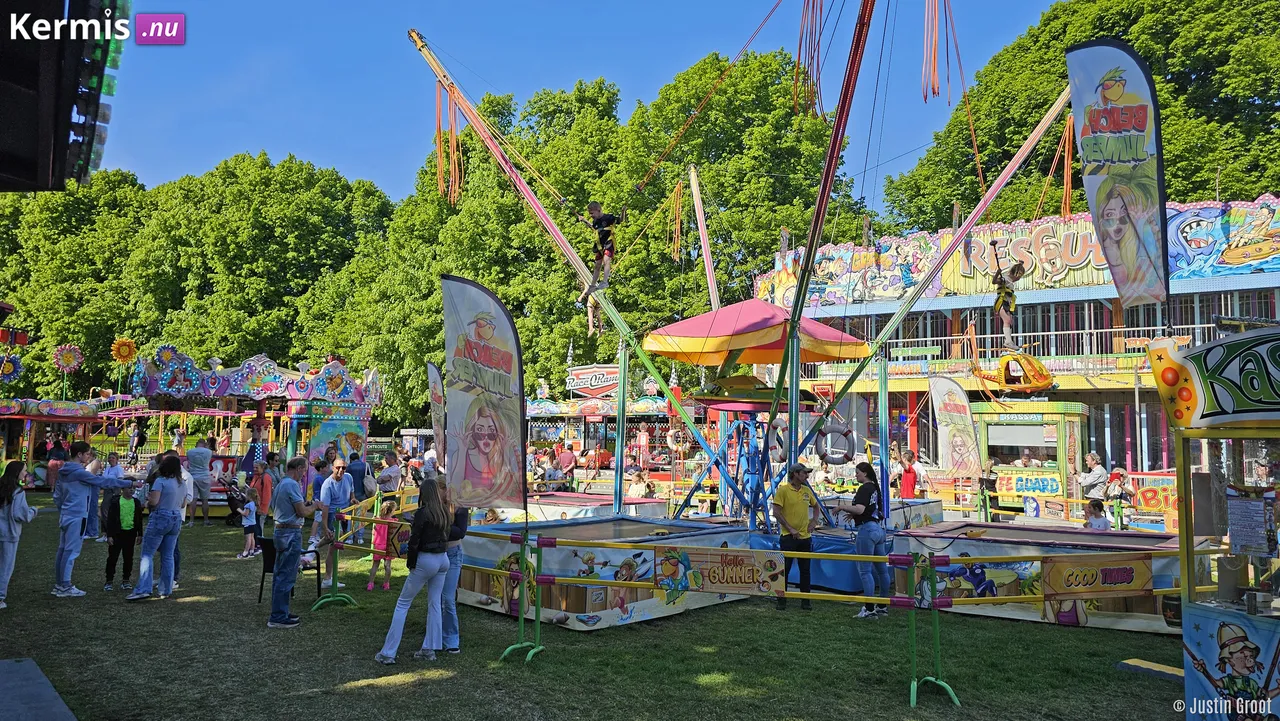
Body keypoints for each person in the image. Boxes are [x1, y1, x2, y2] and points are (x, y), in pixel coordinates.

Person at [374, 474, 452, 664]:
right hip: (442, 559)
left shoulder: (423, 513)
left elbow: (414, 541)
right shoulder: (443, 512)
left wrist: (411, 563)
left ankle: (388, 652)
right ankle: (429, 649)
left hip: (426, 559)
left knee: (403, 604)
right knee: (434, 604)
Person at [53, 442, 137, 597]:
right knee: (70, 551)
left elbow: (57, 495)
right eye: (87, 454)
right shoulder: (79, 472)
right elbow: (104, 482)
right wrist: (128, 483)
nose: (89, 457)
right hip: (77, 515)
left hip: (66, 514)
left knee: (63, 550)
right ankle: (64, 586)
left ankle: (60, 584)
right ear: (79, 455)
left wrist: (63, 509)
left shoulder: (63, 471)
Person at [268, 456, 326, 629]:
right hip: (290, 532)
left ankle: (281, 612)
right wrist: (315, 506)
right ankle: (278, 616)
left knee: (280, 574)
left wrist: (303, 504)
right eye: (304, 470)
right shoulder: (292, 484)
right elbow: (301, 512)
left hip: (280, 530)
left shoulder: (280, 484)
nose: (304, 474)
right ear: (299, 468)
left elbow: (275, 506)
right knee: (286, 575)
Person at [126, 455, 186, 601]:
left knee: (147, 554)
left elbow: (154, 501)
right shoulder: (182, 483)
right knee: (168, 555)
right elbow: (184, 504)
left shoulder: (160, 481)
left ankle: (143, 588)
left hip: (161, 517)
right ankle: (166, 589)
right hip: (175, 517)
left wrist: (146, 502)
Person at [843, 462, 891, 619]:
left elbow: (860, 509)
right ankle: (882, 605)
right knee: (882, 570)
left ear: (865, 473)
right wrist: (855, 514)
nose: (855, 475)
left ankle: (869, 608)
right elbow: (870, 510)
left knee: (865, 570)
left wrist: (842, 507)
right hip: (878, 529)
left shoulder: (864, 488)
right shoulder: (875, 488)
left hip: (867, 530)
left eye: (857, 473)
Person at [772, 463, 820, 611]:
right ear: (795, 474)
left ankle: (806, 601)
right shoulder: (783, 490)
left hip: (805, 537)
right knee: (784, 570)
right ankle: (781, 600)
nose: (807, 476)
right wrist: (790, 529)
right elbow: (776, 512)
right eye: (804, 473)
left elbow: (816, 506)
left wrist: (814, 521)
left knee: (805, 570)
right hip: (788, 537)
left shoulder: (806, 490)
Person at [0, 461, 38, 609]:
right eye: (23, 470)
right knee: (5, 567)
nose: (25, 473)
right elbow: (20, 515)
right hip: (9, 533)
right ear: (17, 473)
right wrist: (33, 511)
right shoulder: (18, 492)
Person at [439, 477, 468, 654]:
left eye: (438, 490)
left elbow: (460, 532)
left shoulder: (460, 507)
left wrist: (440, 525)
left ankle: (451, 638)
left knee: (448, 598)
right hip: (435, 552)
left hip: (452, 553)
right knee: (436, 598)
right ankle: (435, 634)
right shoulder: (434, 505)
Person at [574, 202, 624, 305]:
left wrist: (623, 211)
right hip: (599, 244)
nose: (591, 215)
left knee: (606, 261)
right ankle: (592, 285)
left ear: (599, 210)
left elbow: (620, 220)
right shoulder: (595, 221)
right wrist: (584, 220)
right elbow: (593, 227)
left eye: (592, 213)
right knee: (597, 266)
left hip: (608, 242)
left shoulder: (608, 217)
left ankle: (604, 281)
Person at [320, 458, 354, 588]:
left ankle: (313, 548)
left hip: (345, 516)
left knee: (334, 546)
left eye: (343, 468)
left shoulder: (349, 477)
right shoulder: (327, 484)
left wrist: (353, 499)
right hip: (333, 517)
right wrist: (325, 526)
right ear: (332, 468)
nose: (341, 470)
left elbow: (351, 492)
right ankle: (328, 578)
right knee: (333, 548)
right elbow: (325, 508)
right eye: (338, 467)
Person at [104, 483, 143, 591]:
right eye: (129, 488)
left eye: (134, 488)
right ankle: (109, 581)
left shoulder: (136, 502)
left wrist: (140, 534)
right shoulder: (116, 501)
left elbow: (139, 519)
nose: (132, 490)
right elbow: (110, 519)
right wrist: (109, 535)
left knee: (128, 558)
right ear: (123, 489)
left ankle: (126, 580)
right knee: (112, 558)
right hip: (117, 534)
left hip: (130, 534)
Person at [989, 238, 1026, 350]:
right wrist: (997, 274)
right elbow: (994, 281)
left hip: (1007, 303)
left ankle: (1009, 341)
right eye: (1019, 276)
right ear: (1016, 274)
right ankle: (1008, 342)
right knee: (1007, 320)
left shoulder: (1010, 280)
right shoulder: (1005, 278)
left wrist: (1020, 263)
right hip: (1001, 301)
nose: (1019, 279)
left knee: (1009, 321)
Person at [367, 500, 398, 592]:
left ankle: (370, 584)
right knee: (387, 565)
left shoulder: (377, 520)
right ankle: (386, 584)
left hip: (378, 545)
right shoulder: (394, 521)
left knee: (375, 565)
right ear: (392, 511)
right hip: (388, 545)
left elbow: (374, 531)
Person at [186, 439, 214, 526]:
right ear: (204, 445)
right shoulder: (208, 452)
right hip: (204, 477)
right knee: (205, 500)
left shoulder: (189, 452)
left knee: (193, 500)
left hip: (193, 476)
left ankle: (191, 521)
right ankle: (206, 520)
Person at [237, 487, 260, 559]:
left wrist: (239, 510)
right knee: (252, 538)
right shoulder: (254, 504)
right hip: (253, 523)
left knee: (248, 539)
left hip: (247, 523)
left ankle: (245, 553)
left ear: (249, 496)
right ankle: (252, 551)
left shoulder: (248, 505)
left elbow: (245, 514)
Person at [249, 461, 272, 532]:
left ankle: (259, 540)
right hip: (254, 506)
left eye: (257, 467)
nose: (254, 469)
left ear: (262, 468)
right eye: (254, 467)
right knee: (255, 526)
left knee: (259, 526)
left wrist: (262, 508)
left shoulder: (266, 477)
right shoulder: (256, 476)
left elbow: (267, 494)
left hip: (260, 507)